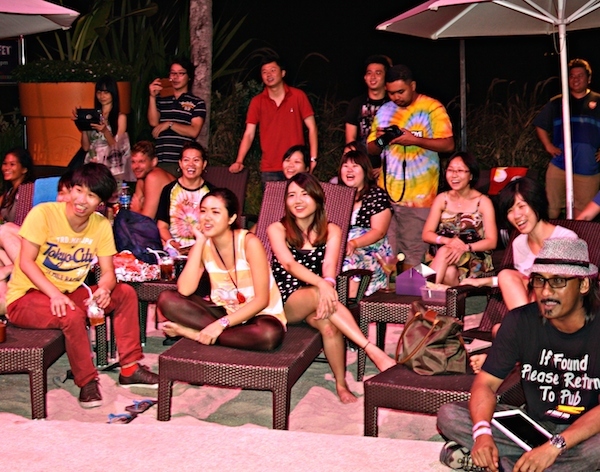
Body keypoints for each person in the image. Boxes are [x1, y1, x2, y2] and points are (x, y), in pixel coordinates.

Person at [437, 238, 600, 472]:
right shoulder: (519, 321)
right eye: (540, 280)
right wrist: (482, 434)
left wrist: (555, 446)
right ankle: (528, 464)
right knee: (451, 415)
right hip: (531, 425)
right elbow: (486, 384)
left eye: (558, 281)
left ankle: (509, 464)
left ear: (583, 285)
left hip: (584, 430)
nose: (545, 292)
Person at [5, 163, 159, 409]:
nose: (81, 200)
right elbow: (25, 262)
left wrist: (104, 289)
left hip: (70, 293)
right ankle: (86, 381)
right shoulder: (43, 214)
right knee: (71, 313)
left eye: (91, 195)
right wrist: (54, 295)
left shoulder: (100, 225)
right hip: (26, 298)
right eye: (78, 190)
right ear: (70, 189)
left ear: (100, 201)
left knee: (125, 293)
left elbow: (108, 272)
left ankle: (130, 369)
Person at [268, 173, 396, 404]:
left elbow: (329, 265)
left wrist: (327, 282)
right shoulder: (277, 228)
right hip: (284, 302)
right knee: (321, 294)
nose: (297, 200)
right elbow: (289, 264)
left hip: (319, 298)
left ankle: (341, 383)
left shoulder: (332, 230)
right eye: (291, 195)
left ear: (317, 198)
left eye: (304, 194)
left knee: (329, 327)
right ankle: (371, 349)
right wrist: (323, 285)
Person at [464, 177, 578, 373]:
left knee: (507, 325)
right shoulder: (519, 244)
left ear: (536, 203)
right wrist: (482, 282)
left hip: (564, 317)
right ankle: (529, 347)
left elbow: (569, 291)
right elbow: (518, 281)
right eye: (510, 210)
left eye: (522, 206)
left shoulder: (566, 239)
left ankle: (502, 357)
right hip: (537, 320)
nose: (516, 215)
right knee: (507, 279)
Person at [157, 188, 286, 351]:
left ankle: (195, 334)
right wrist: (200, 241)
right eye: (203, 211)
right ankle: (228, 336)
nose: (207, 217)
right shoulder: (204, 245)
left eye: (215, 212)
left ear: (231, 218)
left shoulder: (249, 243)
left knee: (269, 335)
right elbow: (184, 289)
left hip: (259, 315)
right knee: (167, 299)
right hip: (224, 311)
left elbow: (262, 300)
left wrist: (220, 324)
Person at [367, 64, 455, 270]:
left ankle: (409, 292)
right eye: (391, 93)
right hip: (386, 195)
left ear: (412, 85)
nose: (396, 97)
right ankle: (386, 290)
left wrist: (414, 140)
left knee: (413, 255)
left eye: (401, 91)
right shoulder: (385, 110)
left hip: (419, 197)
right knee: (385, 254)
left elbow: (448, 145)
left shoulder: (432, 107)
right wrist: (382, 140)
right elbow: (371, 149)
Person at [229, 54, 318, 182]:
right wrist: (239, 160)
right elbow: (249, 134)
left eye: (272, 70)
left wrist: (313, 158)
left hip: (296, 165)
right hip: (270, 168)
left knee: (298, 195)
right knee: (271, 196)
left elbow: (312, 128)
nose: (268, 75)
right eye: (264, 72)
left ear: (283, 73)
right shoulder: (257, 102)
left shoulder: (298, 96)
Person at [534, 58, 600, 219]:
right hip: (559, 165)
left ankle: (575, 236)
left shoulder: (598, 101)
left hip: (587, 167)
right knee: (550, 210)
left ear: (589, 79)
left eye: (580, 75)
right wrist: (548, 145)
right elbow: (540, 124)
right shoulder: (557, 102)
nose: (575, 79)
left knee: (581, 215)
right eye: (572, 76)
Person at [422, 152, 497, 285]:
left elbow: (492, 242)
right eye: (450, 170)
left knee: (445, 252)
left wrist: (465, 247)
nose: (454, 175)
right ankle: (438, 294)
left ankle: (421, 289)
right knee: (449, 272)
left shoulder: (483, 202)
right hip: (441, 256)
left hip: (473, 256)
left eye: (460, 171)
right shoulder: (442, 199)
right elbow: (426, 234)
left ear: (471, 175)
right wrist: (448, 241)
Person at [338, 149, 393, 296]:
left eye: (355, 166)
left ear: (365, 170)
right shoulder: (337, 196)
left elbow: (379, 231)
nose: (349, 170)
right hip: (341, 248)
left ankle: (349, 303)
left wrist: (353, 244)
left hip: (370, 251)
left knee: (349, 260)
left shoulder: (377, 195)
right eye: (345, 166)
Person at [148, 58, 206, 176]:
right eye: (173, 73)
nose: (176, 77)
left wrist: (170, 124)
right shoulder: (161, 99)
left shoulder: (197, 102)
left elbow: (194, 131)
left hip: (181, 160)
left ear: (189, 77)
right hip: (160, 158)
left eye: (181, 73)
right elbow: (153, 122)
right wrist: (152, 97)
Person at [156, 142, 213, 251]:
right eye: (186, 160)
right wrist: (172, 242)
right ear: (180, 163)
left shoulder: (212, 193)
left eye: (196, 160)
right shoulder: (169, 190)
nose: (191, 164)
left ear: (204, 164)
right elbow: (162, 226)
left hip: (204, 248)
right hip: (174, 249)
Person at [76, 75, 133, 185]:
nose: (102, 96)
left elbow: (117, 146)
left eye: (106, 92)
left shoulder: (120, 117)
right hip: (93, 164)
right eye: (99, 92)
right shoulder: (93, 116)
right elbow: (86, 147)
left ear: (113, 93)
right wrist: (83, 124)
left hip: (112, 166)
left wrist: (105, 131)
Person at [344, 55, 392, 174]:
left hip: (389, 169)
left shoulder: (393, 105)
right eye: (369, 73)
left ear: (386, 77)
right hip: (362, 167)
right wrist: (360, 167)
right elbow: (350, 141)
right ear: (365, 77)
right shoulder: (356, 103)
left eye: (378, 73)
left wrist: (384, 169)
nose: (373, 76)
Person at [129, 141, 175, 219]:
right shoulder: (141, 179)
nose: (136, 166)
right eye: (133, 162)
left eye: (141, 161)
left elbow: (147, 219)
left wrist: (137, 210)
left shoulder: (153, 177)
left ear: (154, 162)